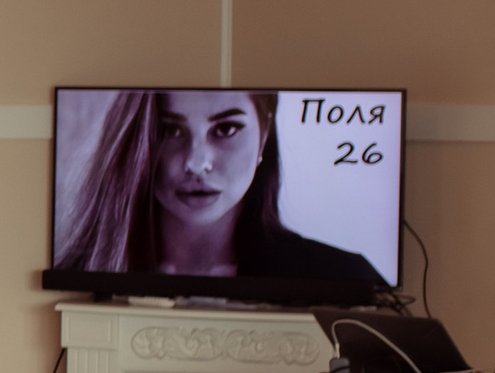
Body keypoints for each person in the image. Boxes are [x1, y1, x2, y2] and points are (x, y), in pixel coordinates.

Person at [53, 89, 386, 284]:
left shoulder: (345, 277)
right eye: (169, 131)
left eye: (226, 129)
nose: (197, 163)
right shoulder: (81, 274)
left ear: (264, 136)